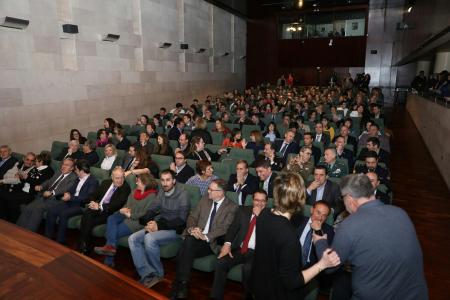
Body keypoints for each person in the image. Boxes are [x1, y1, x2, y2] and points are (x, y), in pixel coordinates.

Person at [314, 174, 428, 300]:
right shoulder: (401, 213)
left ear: (350, 200)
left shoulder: (350, 225)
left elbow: (330, 266)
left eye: (343, 199)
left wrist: (319, 240)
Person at [250, 172, 340, 300]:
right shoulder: (289, 236)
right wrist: (322, 264)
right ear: (299, 200)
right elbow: (292, 282)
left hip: (259, 287)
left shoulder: (263, 216)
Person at [171, 179, 238, 299]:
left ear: (220, 192)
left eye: (211, 190)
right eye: (209, 188)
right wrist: (193, 229)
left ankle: (179, 283)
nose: (208, 191)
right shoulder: (205, 200)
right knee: (189, 241)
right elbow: (192, 216)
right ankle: (183, 283)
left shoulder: (231, 207)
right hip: (195, 236)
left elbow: (224, 228)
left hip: (211, 242)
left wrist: (205, 236)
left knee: (184, 249)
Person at [126, 170, 190, 288]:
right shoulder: (161, 192)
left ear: (174, 181)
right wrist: (147, 221)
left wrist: (158, 226)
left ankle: (158, 274)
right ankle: (146, 273)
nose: (165, 183)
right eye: (163, 180)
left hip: (176, 231)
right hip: (160, 226)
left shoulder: (183, 194)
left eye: (168, 180)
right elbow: (152, 209)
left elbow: (181, 221)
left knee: (149, 238)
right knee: (133, 238)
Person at [210, 190, 268, 299]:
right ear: (252, 200)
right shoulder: (243, 211)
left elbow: (269, 236)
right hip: (240, 249)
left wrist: (260, 217)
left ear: (267, 202)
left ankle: (248, 296)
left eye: (263, 201)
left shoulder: (270, 216)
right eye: (256, 200)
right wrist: (227, 244)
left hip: (257, 253)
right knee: (221, 262)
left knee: (247, 269)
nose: (259, 204)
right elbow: (233, 228)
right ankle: (215, 296)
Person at [94, 173, 158, 267]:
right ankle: (110, 249)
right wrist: (122, 209)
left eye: (138, 182)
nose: (136, 183)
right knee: (111, 218)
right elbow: (127, 205)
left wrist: (131, 215)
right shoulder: (134, 191)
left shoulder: (152, 196)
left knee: (110, 233)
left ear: (145, 183)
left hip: (136, 221)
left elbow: (146, 214)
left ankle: (108, 261)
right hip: (125, 215)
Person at [78, 166, 131, 254]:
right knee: (88, 214)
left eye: (122, 178)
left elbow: (117, 204)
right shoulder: (106, 183)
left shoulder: (125, 188)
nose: (120, 180)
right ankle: (85, 245)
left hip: (109, 213)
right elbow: (94, 194)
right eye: (117, 178)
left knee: (87, 220)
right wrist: (92, 202)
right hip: (97, 208)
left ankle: (84, 245)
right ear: (112, 177)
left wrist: (99, 206)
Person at [45, 159, 99, 244]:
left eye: (76, 170)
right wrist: (67, 194)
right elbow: (71, 189)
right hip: (70, 202)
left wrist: (71, 197)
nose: (75, 171)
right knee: (52, 211)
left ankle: (60, 240)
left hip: (81, 206)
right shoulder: (78, 178)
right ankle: (48, 236)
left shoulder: (93, 182)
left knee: (63, 214)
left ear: (81, 171)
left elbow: (87, 198)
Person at [16, 158, 77, 232]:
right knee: (29, 207)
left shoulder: (73, 177)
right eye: (63, 164)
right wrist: (41, 186)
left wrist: (52, 192)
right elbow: (48, 182)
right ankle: (18, 229)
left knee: (38, 208)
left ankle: (28, 232)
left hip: (57, 199)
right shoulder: (58, 172)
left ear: (72, 168)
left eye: (67, 165)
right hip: (45, 196)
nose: (63, 166)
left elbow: (66, 188)